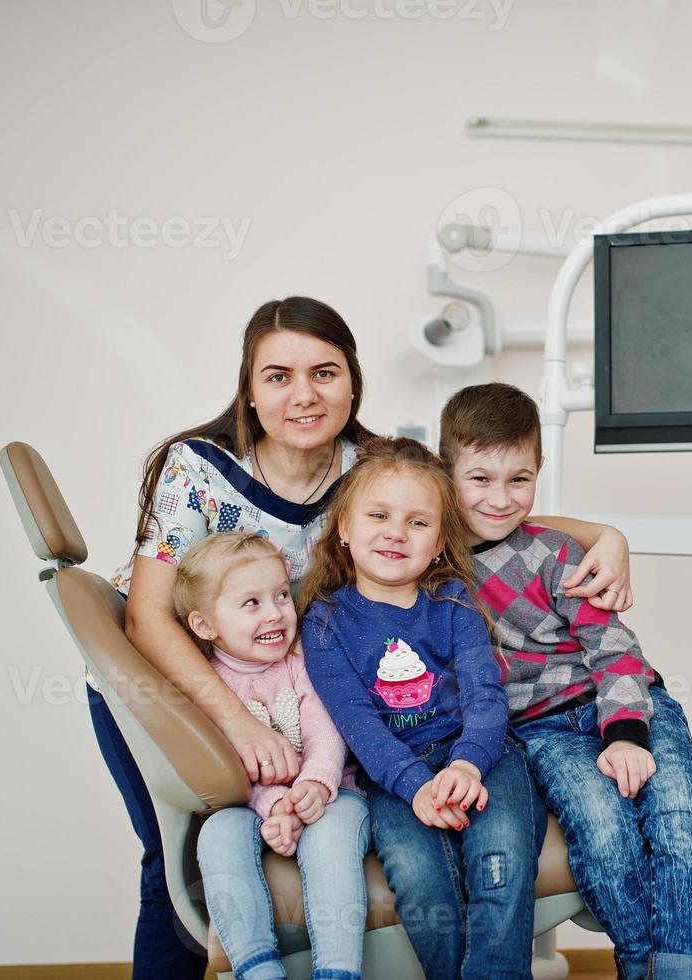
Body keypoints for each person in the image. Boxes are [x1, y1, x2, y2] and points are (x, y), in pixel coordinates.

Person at [106, 296, 634, 978]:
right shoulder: (199, 469)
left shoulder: (372, 466)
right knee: (175, 867)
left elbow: (485, 508)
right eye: (277, 376)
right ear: (249, 388)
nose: (303, 394)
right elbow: (146, 618)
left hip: (306, 697)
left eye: (324, 372)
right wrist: (239, 725)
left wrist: (605, 536)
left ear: (352, 381)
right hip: (178, 685)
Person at [440, 383, 692, 980]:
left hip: (628, 705)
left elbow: (612, 646)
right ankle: (641, 962)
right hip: (542, 732)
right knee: (603, 834)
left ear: (539, 471)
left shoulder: (556, 552)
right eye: (479, 479)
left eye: (519, 478)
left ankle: (688, 971)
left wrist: (624, 732)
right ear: (446, 473)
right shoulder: (430, 571)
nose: (500, 498)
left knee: (680, 819)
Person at [299, 437, 544, 980]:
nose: (395, 532)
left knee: (501, 861)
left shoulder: (453, 601)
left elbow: (485, 697)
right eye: (379, 515)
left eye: (417, 522)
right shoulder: (324, 622)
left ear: (438, 542)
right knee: (416, 875)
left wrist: (466, 765)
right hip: (393, 776)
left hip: (483, 757)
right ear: (343, 528)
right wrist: (416, 786)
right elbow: (358, 726)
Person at [173, 532, 367, 980]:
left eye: (282, 595)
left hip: (333, 791)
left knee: (331, 830)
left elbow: (326, 730)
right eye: (251, 603)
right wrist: (271, 804)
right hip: (254, 807)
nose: (276, 613)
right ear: (205, 626)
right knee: (216, 833)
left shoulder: (302, 658)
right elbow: (224, 765)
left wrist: (313, 785)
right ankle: (258, 970)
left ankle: (338, 971)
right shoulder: (208, 688)